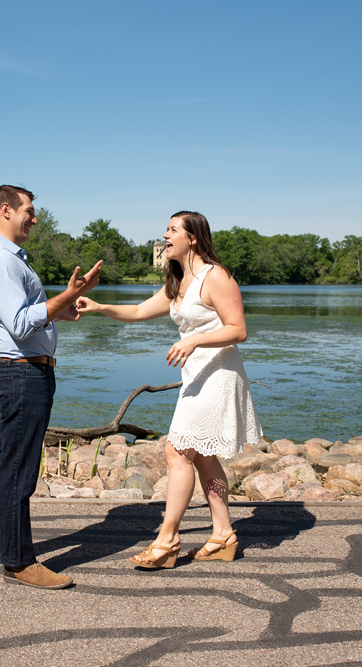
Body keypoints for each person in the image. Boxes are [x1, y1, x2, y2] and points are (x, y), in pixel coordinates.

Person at [76, 211, 260, 568]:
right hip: (196, 377)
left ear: (193, 238)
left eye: (173, 229)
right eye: (166, 229)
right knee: (203, 455)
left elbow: (238, 330)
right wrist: (100, 307)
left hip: (219, 375)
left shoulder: (215, 276)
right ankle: (223, 534)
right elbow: (141, 310)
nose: (165, 234)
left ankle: (167, 540)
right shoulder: (178, 280)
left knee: (177, 452)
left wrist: (195, 340)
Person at [0, 185, 103, 589]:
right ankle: (19, 561)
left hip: (21, 370)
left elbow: (27, 318)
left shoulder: (10, 260)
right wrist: (66, 295)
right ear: (6, 211)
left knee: (3, 461)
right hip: (21, 374)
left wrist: (63, 307)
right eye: (30, 210)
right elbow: (21, 325)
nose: (35, 217)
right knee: (19, 470)